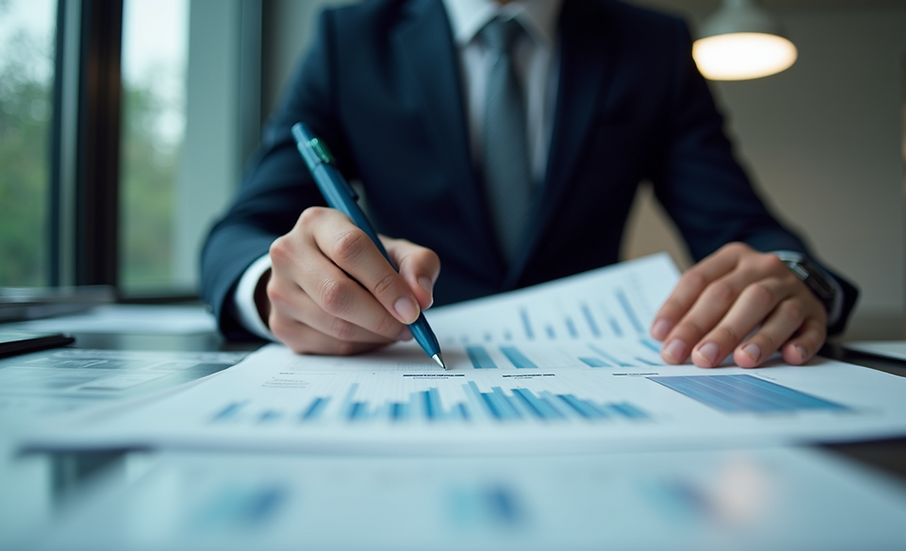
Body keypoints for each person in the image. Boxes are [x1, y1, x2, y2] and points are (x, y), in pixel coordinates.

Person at [201, 0, 858, 369]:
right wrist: (271, 286)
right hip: (410, 372)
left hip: (600, 386)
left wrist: (795, 279)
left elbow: (748, 230)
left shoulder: (652, 46)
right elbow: (240, 231)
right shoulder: (349, 39)